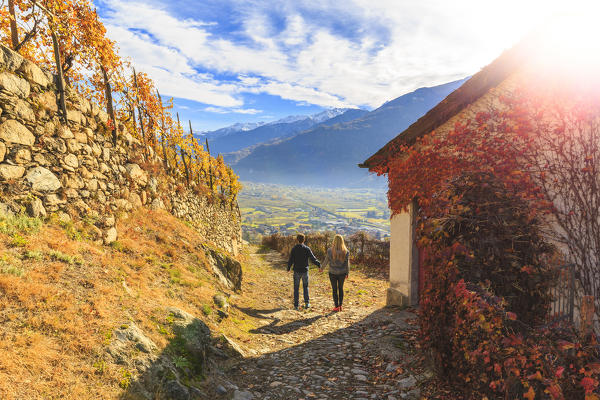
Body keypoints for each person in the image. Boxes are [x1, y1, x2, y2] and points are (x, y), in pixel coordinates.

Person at [287, 233, 321, 310]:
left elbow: (291, 260)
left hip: (296, 270)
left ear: (297, 239)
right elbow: (313, 259)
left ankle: (296, 305)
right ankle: (307, 303)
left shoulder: (294, 249)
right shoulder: (307, 248)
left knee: (296, 288)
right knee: (305, 287)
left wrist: (288, 268)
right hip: (305, 271)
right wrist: (319, 265)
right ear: (304, 240)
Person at [322, 234, 350, 312]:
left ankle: (336, 306)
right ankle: (340, 305)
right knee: (340, 289)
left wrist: (321, 268)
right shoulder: (346, 251)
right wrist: (347, 273)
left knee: (334, 289)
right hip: (342, 273)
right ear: (342, 241)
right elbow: (347, 264)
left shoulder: (330, 250)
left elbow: (326, 261)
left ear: (334, 241)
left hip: (332, 273)